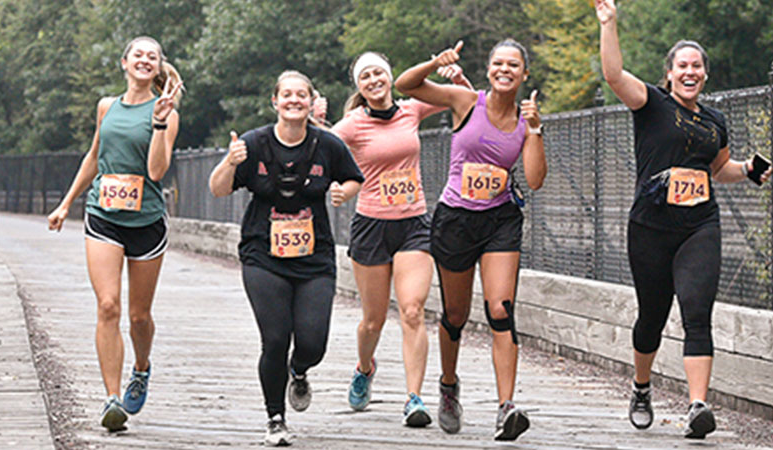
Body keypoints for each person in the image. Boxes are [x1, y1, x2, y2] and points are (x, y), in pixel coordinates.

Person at [595, 0, 773, 440]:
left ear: (705, 74)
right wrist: (609, 23)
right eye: (682, 66)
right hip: (651, 228)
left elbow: (718, 170)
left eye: (697, 66)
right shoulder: (651, 104)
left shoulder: (715, 121)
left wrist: (748, 169)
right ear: (670, 73)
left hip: (699, 225)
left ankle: (697, 406)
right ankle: (641, 388)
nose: (690, 72)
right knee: (652, 318)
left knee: (697, 311)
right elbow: (614, 75)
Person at [395, 39, 547, 441]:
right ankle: (448, 385)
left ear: (524, 74)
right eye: (498, 63)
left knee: (501, 309)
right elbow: (404, 85)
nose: (505, 70)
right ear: (489, 69)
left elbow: (534, 179)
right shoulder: (466, 101)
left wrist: (535, 131)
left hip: (500, 219)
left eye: (513, 65)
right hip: (456, 220)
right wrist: (433, 60)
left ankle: (506, 407)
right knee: (456, 314)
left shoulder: (525, 119)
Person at [208, 70, 363, 447]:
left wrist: (345, 191)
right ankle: (275, 418)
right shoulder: (253, 143)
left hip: (314, 259)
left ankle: (299, 369)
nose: (294, 100)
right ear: (274, 102)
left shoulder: (327, 144)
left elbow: (353, 177)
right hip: (263, 254)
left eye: (301, 95)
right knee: (275, 338)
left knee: (313, 343)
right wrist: (230, 162)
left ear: (311, 102)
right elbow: (217, 189)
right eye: (287, 95)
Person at [323, 52, 472, 427]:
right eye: (365, 76)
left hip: (414, 224)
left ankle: (414, 399)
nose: (373, 80)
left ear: (389, 77)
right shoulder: (353, 125)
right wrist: (337, 186)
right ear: (358, 85)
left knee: (412, 311)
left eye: (378, 73)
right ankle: (363, 367)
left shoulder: (412, 109)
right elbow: (317, 148)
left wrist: (456, 76)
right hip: (372, 227)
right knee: (373, 321)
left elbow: (462, 101)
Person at [47, 36, 183, 432]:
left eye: (152, 57)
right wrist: (66, 202)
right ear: (124, 63)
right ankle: (111, 399)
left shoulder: (167, 113)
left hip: (146, 223)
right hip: (103, 215)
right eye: (137, 54)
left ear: (158, 68)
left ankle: (141, 368)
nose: (144, 60)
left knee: (139, 316)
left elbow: (157, 172)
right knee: (108, 305)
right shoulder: (107, 106)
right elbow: (94, 156)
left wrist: (159, 121)